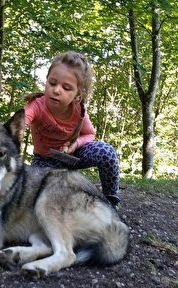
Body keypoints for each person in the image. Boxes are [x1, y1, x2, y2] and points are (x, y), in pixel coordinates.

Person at [24, 51, 121, 207]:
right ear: (46, 80)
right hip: (44, 161)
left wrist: (75, 145)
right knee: (32, 195)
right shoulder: (37, 106)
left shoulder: (78, 111)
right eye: (52, 83)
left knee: (106, 152)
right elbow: (20, 122)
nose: (56, 90)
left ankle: (110, 200)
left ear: (77, 94)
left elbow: (90, 134)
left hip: (73, 156)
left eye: (66, 88)